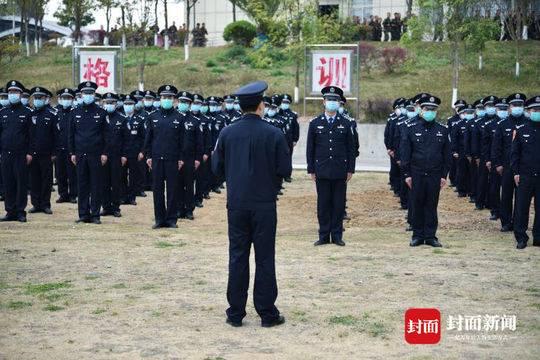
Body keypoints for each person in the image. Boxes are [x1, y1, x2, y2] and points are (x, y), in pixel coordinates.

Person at [211, 80, 291, 328]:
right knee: (265, 258)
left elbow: (216, 169)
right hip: (265, 204)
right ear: (260, 105)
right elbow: (285, 169)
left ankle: (235, 313)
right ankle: (267, 313)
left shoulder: (227, 132)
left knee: (237, 256)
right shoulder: (275, 133)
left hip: (236, 204)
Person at [306, 86, 356, 246]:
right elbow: (310, 149)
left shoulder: (346, 123)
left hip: (340, 170)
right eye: (329, 100)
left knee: (338, 204)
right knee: (323, 204)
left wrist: (350, 169)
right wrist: (311, 169)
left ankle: (337, 235)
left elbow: (351, 148)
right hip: (322, 170)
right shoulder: (315, 123)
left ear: (339, 103)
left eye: (335, 100)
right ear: (324, 102)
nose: (332, 103)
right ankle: (323, 235)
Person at [400, 94, 451, 247]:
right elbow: (405, 153)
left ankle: (430, 236)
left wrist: (444, 175)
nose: (430, 111)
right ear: (421, 110)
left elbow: (447, 155)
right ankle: (417, 235)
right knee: (416, 204)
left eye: (433, 109)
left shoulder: (442, 130)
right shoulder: (410, 128)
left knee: (431, 205)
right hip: (416, 174)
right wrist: (407, 174)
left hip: (435, 174)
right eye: (427, 109)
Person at [144, 85, 184, 229]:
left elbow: (182, 141)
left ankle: (172, 219)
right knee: (157, 190)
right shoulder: (152, 116)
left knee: (173, 190)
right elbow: (148, 139)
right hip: (156, 159)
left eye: (170, 97)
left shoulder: (180, 117)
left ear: (174, 100)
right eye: (164, 97)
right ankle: (159, 219)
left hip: (173, 159)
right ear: (159, 99)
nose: (167, 100)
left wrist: (181, 158)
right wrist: (148, 156)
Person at [69, 81, 108, 224]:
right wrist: (72, 152)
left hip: (96, 154)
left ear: (94, 95)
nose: (88, 96)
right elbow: (71, 135)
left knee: (96, 185)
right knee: (82, 184)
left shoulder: (101, 113)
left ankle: (95, 214)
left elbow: (106, 135)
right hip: (80, 154)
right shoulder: (75, 112)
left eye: (91, 93)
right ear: (81, 95)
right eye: (85, 93)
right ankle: (83, 214)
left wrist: (104, 153)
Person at [491, 93, 527, 232]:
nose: (517, 107)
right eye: (514, 105)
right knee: (506, 195)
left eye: (520, 105)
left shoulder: (528, 123)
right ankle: (506, 222)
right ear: (510, 107)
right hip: (506, 166)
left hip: (523, 167)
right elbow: (496, 146)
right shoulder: (502, 124)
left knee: (521, 198)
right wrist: (497, 164)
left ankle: (518, 223)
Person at [0, 80, 32, 222]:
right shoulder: (3, 112)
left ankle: (20, 211)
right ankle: (10, 211)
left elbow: (32, 136)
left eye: (16, 92)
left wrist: (30, 153)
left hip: (21, 154)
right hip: (6, 153)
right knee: (8, 183)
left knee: (21, 183)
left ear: (21, 94)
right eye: (11, 92)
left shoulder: (27, 112)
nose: (13, 94)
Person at [511, 95, 540, 249]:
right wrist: (516, 172)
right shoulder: (521, 129)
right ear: (529, 111)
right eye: (535, 109)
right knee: (521, 208)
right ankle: (521, 237)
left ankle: (538, 237)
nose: (538, 112)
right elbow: (514, 153)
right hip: (525, 175)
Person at [28, 87, 57, 215]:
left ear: (45, 99)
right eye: (36, 98)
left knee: (46, 180)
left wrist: (54, 153)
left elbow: (56, 135)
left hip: (46, 154)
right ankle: (36, 204)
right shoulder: (29, 114)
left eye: (40, 98)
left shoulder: (51, 115)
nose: (38, 100)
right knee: (34, 180)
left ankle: (45, 204)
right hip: (32, 154)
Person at [101, 92, 124, 217]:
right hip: (103, 156)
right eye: (107, 103)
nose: (109, 105)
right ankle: (105, 207)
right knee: (103, 182)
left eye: (112, 103)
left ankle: (115, 207)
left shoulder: (121, 119)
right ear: (103, 103)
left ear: (116, 104)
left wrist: (124, 155)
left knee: (116, 183)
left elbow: (126, 139)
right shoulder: (100, 117)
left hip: (116, 156)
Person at [121, 94, 146, 206]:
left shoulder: (139, 120)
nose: (128, 106)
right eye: (126, 104)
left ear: (134, 105)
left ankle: (132, 197)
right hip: (122, 153)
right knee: (121, 176)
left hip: (135, 153)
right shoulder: (119, 118)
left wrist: (142, 151)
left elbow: (144, 137)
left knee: (133, 176)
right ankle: (123, 196)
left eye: (130, 104)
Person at [55, 88, 78, 204]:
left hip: (71, 149)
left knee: (72, 173)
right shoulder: (56, 112)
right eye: (64, 98)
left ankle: (73, 194)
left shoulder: (75, 112)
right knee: (60, 173)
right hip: (59, 148)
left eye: (68, 98)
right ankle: (63, 194)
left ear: (72, 99)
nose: (66, 100)